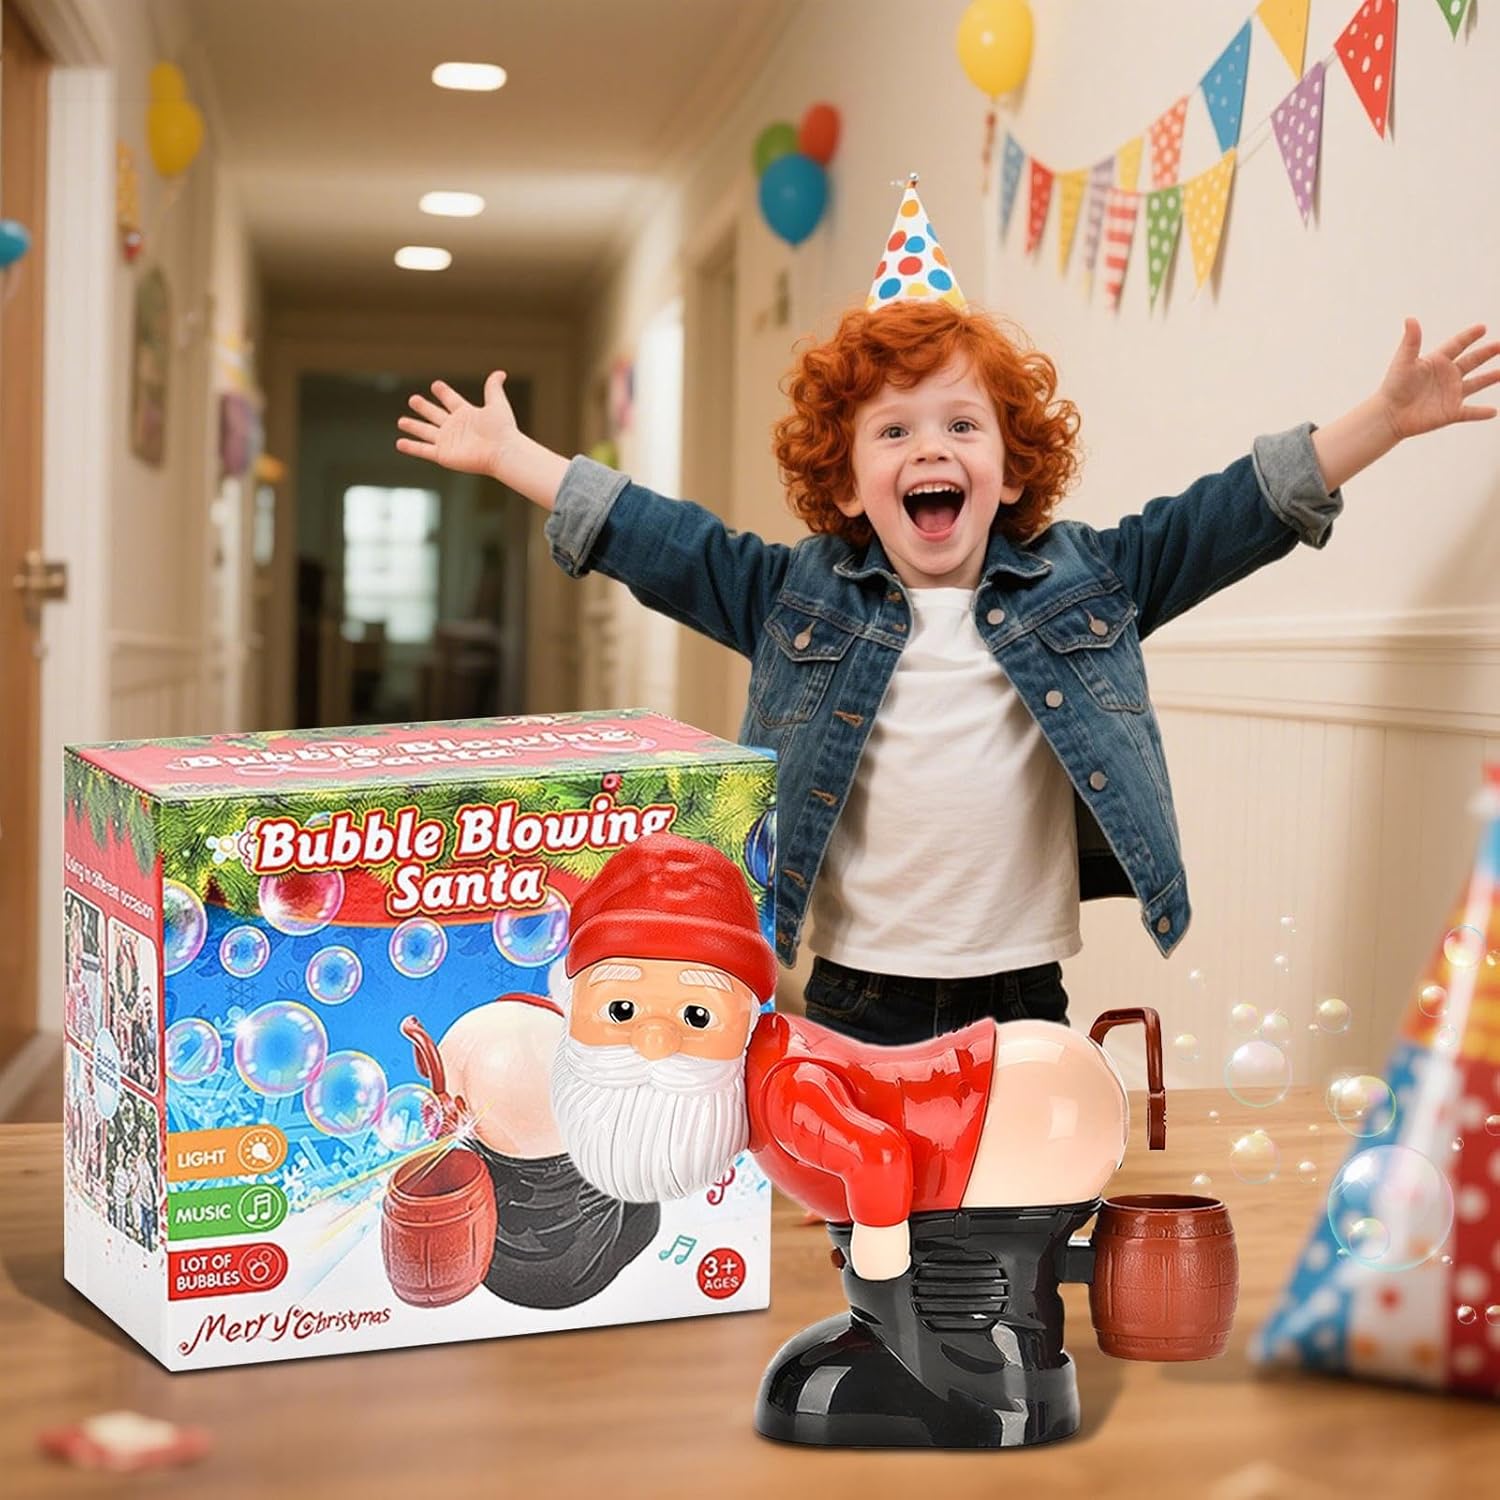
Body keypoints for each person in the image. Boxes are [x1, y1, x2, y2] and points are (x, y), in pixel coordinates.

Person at [397, 179, 1499, 1045]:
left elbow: (1228, 515)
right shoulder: (793, 597)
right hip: (856, 988)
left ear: (1010, 470)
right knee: (870, 1217)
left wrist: (1382, 420)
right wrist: (516, 458)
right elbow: (663, 540)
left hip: (1021, 987)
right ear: (846, 484)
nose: (931, 448)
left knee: (1019, 1204)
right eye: (895, 431)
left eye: (962, 427)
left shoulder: (1091, 582)